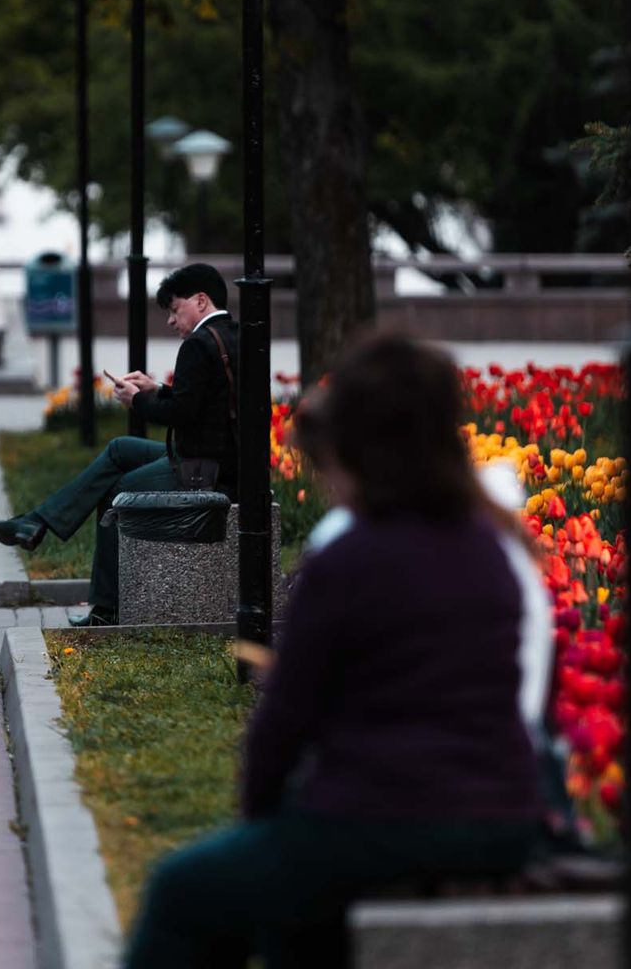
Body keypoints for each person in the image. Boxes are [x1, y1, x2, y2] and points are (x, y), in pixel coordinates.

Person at [124, 333, 550, 968]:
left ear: (361, 455)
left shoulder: (353, 557)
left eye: (329, 464)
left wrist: (265, 823)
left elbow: (284, 721)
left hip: (386, 822)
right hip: (506, 821)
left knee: (184, 891)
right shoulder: (494, 547)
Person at [0, 262, 240, 627]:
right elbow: (204, 402)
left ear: (200, 301)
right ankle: (35, 523)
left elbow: (181, 414)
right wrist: (156, 389)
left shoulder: (198, 344)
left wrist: (138, 401)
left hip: (204, 470)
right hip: (217, 460)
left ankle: (106, 609)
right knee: (120, 449)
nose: (170, 320)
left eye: (174, 309)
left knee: (118, 492)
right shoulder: (233, 335)